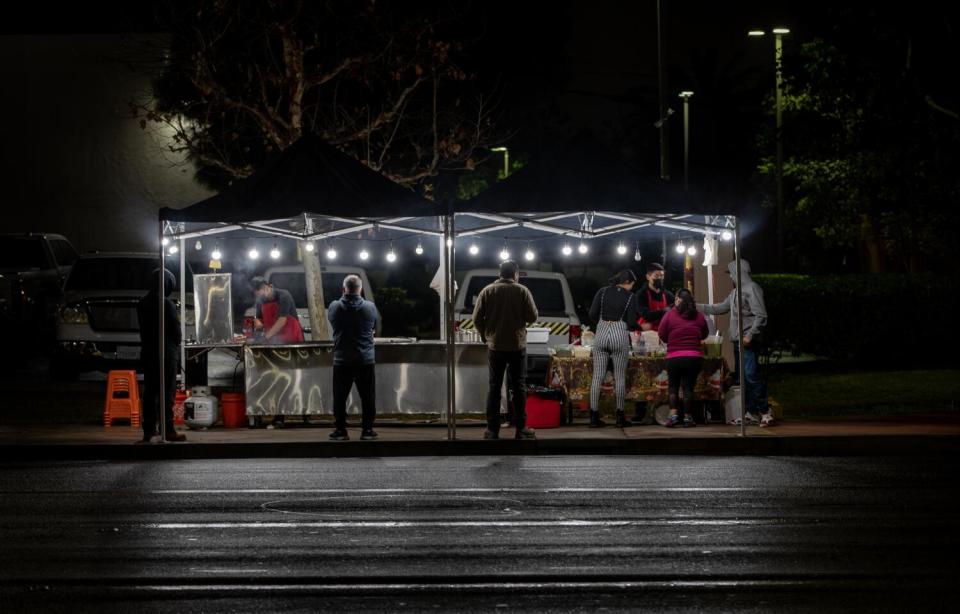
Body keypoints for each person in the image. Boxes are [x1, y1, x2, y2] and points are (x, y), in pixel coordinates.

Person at [699, 259, 772, 426]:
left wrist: (750, 335)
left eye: (732, 273)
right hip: (737, 341)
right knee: (743, 379)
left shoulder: (752, 289)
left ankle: (765, 410)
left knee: (751, 376)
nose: (731, 276)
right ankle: (751, 412)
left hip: (747, 341)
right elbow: (720, 308)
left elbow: (761, 316)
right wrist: (697, 306)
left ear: (738, 273)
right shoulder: (735, 292)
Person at [472, 260, 539, 440]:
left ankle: (492, 429)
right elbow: (533, 316)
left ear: (499, 273)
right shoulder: (522, 291)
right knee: (519, 387)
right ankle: (521, 427)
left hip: (495, 347)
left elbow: (476, 319)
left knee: (494, 387)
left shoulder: (487, 291)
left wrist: (485, 335)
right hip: (517, 346)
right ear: (515, 274)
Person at [327, 274, 380, 441]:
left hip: (342, 360)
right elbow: (373, 327)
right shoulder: (370, 307)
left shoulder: (335, 307)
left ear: (343, 289)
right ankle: (367, 430)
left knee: (340, 396)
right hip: (365, 359)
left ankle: (341, 430)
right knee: (367, 396)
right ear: (361, 290)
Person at [586, 269, 641, 428]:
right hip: (619, 334)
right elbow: (631, 322)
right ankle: (620, 417)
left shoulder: (602, 292)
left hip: (601, 333)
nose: (632, 287)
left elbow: (592, 313)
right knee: (620, 377)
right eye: (632, 284)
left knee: (597, 376)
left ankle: (594, 417)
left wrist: (601, 324)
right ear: (628, 283)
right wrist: (640, 327)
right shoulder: (631, 296)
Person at [136, 268, 186, 443]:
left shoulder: (142, 303)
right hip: (166, 353)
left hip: (148, 352)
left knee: (150, 392)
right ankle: (168, 429)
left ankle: (149, 430)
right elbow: (176, 331)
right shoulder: (167, 303)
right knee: (167, 391)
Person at [658, 289, 709, 428]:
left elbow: (661, 334)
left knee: (673, 388)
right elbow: (704, 334)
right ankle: (687, 418)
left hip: (674, 357)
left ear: (679, 300)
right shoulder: (698, 316)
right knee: (688, 389)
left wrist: (673, 340)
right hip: (693, 358)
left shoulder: (669, 314)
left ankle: (673, 416)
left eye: (676, 298)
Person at [251, 276, 305, 344]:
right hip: (273, 337)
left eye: (260, 294)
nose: (259, 298)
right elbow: (259, 320)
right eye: (257, 295)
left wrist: (265, 338)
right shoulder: (260, 300)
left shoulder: (284, 295)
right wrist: (258, 323)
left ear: (267, 288)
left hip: (291, 336)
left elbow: (282, 320)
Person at [636, 262, 675, 332]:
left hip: (663, 330)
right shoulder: (641, 294)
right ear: (648, 277)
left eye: (662, 276)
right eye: (656, 276)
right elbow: (646, 316)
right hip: (646, 331)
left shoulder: (668, 295)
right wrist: (665, 311)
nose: (660, 278)